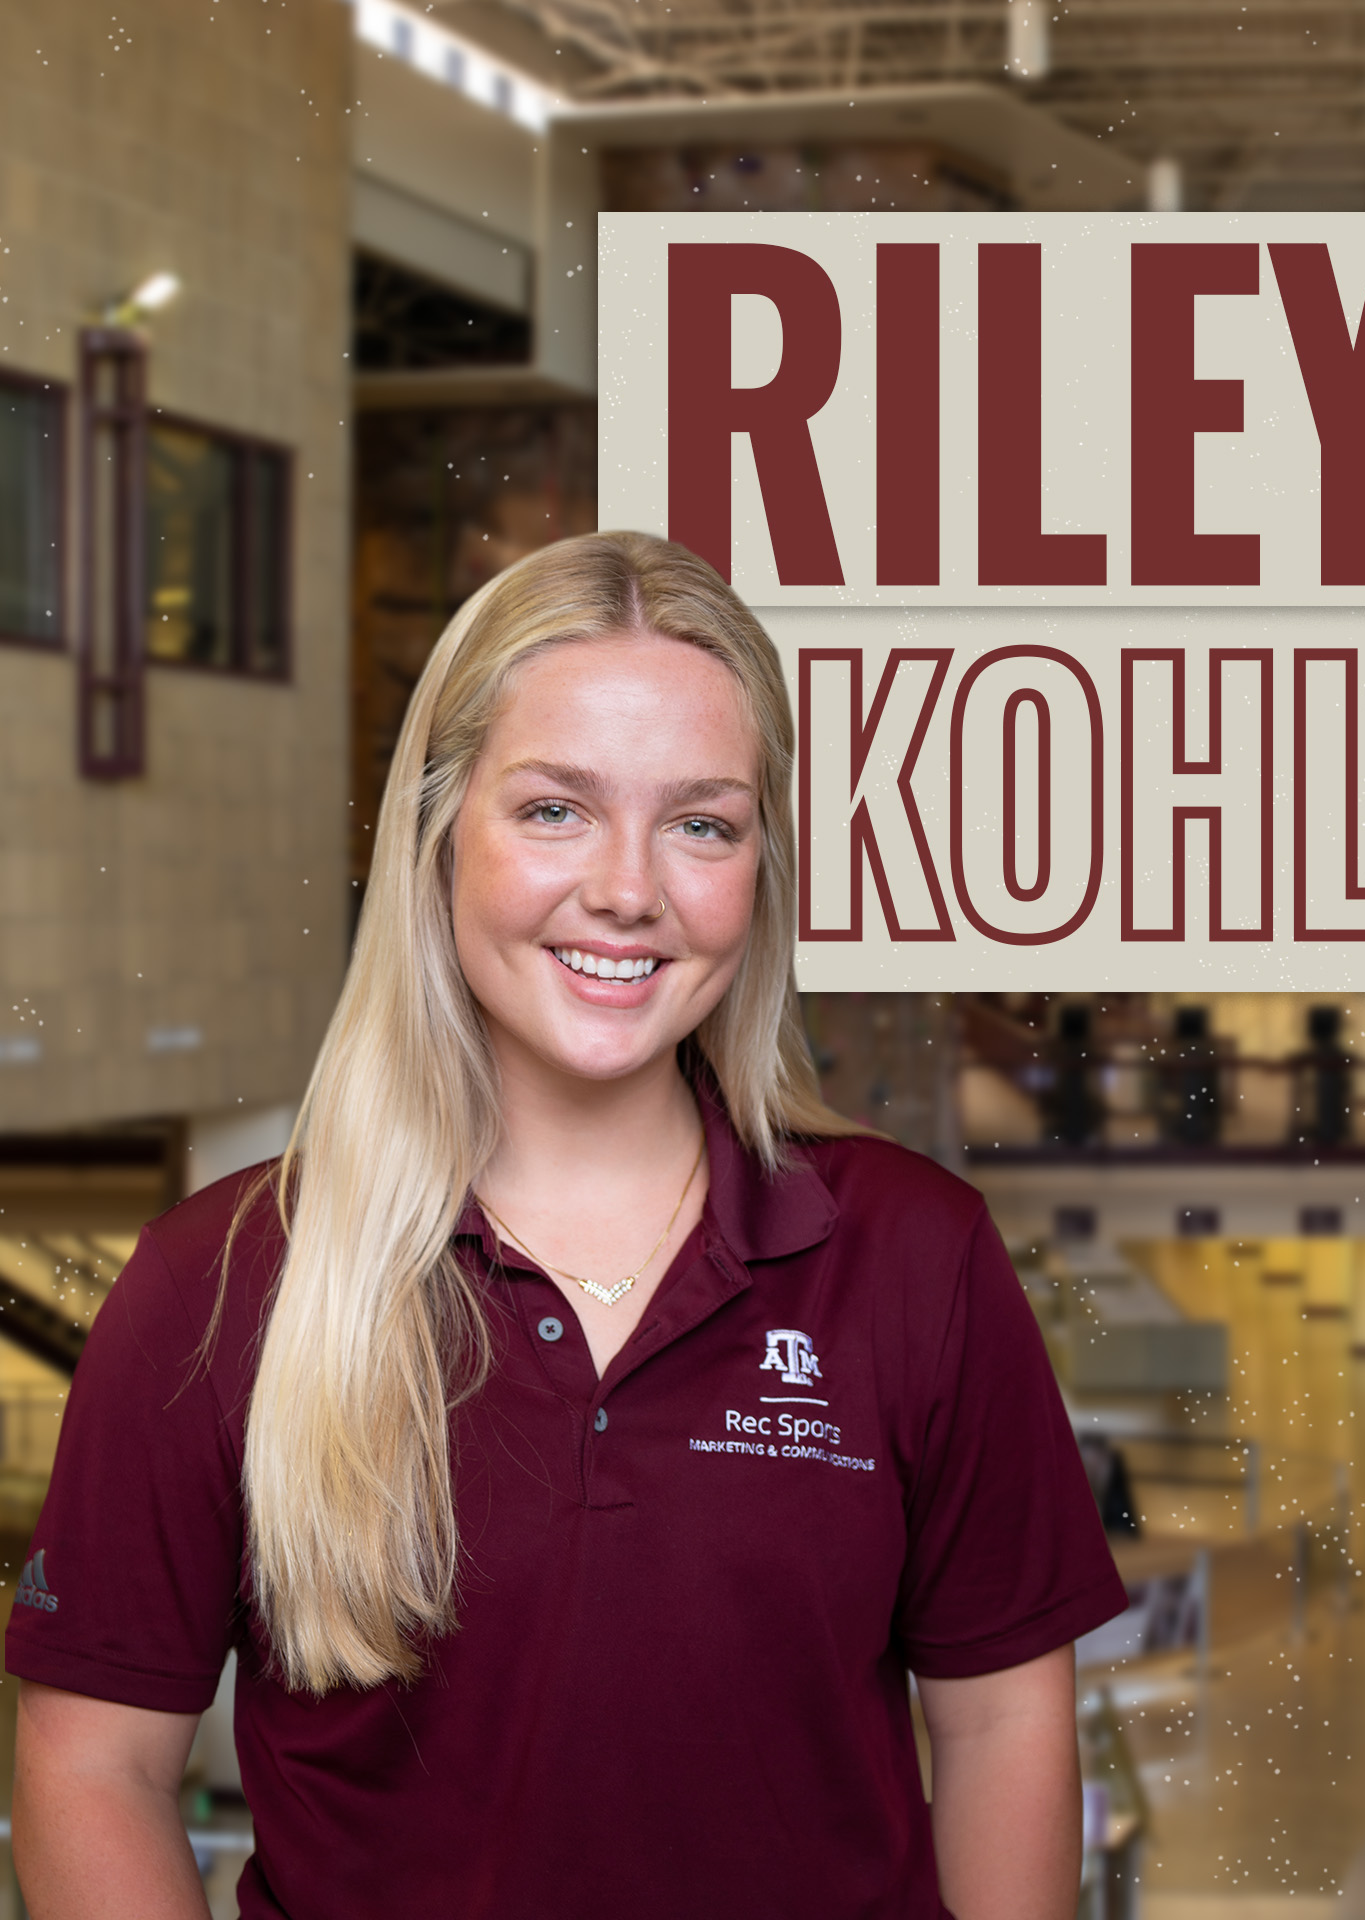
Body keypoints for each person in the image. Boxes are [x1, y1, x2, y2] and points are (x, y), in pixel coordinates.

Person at [7, 532, 1126, 1918]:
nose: (627, 889)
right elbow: (87, 1765)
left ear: (762, 869)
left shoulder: (914, 1258)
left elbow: (1001, 1725)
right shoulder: (219, 1286)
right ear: (439, 829)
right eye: (554, 810)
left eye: (702, 823)